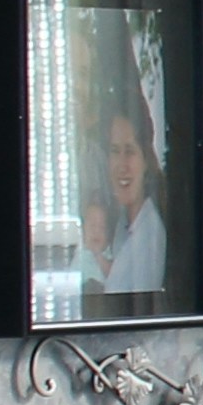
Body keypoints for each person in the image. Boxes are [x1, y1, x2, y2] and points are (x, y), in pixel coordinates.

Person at [80, 97, 168, 312]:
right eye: (114, 151)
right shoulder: (122, 223)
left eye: (129, 151)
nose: (121, 165)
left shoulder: (149, 236)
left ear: (146, 160)